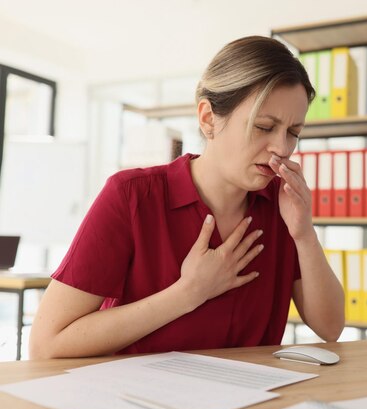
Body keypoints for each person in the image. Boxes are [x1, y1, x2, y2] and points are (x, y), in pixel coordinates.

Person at [29, 36, 345, 359]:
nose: (282, 147)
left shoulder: (282, 204)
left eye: (293, 132)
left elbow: (330, 327)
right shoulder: (131, 196)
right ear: (208, 119)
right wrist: (187, 293)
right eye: (264, 127)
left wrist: (304, 234)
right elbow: (46, 345)